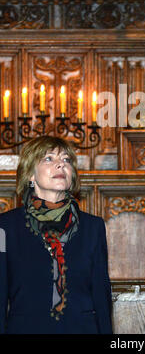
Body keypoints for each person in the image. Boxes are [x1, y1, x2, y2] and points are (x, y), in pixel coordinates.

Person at [0, 135, 112, 334]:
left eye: (66, 160)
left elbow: (101, 298)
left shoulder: (93, 227)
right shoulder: (5, 227)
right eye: (49, 159)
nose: (61, 165)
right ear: (30, 175)